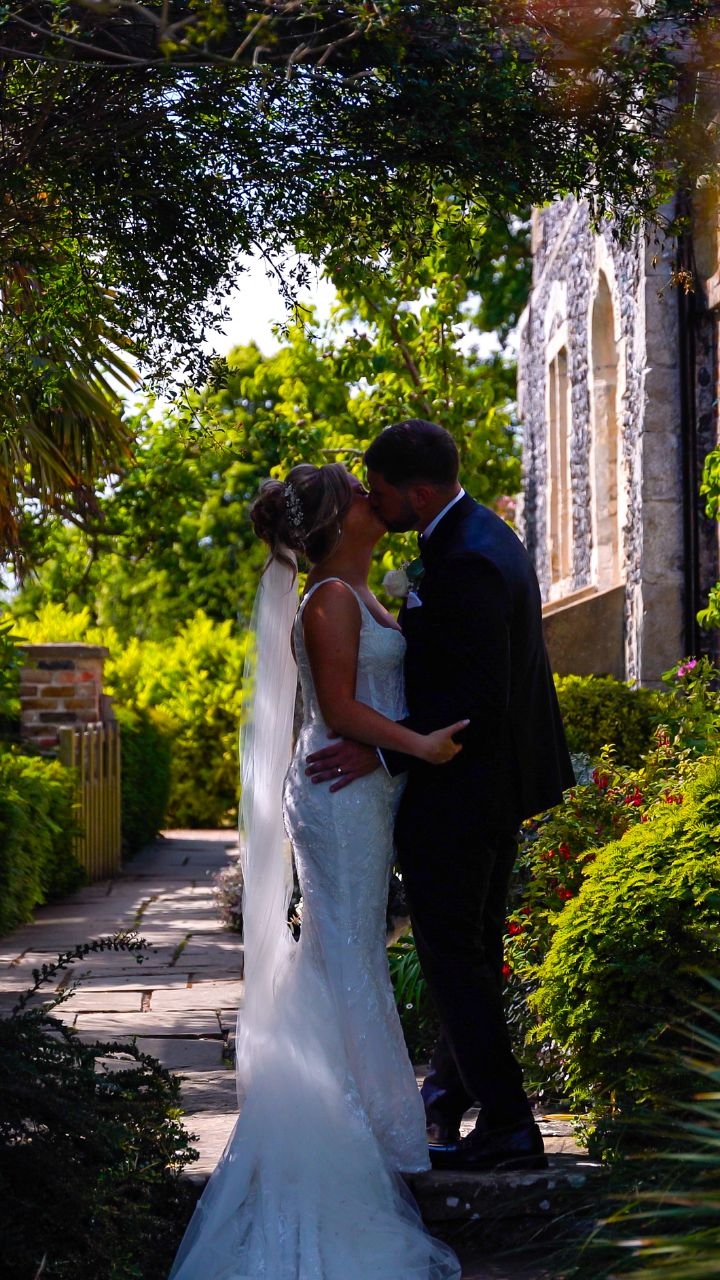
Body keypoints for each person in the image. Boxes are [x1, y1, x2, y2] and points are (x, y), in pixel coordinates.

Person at [169, 462, 462, 1280]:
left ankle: (351, 1112)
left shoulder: (360, 589)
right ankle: (351, 1127)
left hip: (362, 790)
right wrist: (418, 746)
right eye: (358, 491)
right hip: (338, 798)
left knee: (343, 949)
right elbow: (338, 709)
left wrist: (393, 749)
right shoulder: (329, 599)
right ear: (338, 518)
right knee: (347, 949)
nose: (373, 494)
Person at [305, 420, 575, 1173]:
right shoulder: (479, 534)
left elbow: (477, 698)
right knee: (471, 954)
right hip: (488, 787)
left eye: (380, 489)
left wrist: (385, 749)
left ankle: (509, 1125)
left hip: (464, 789)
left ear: (417, 493)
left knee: (454, 958)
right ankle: (446, 1099)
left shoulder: (466, 560)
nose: (374, 499)